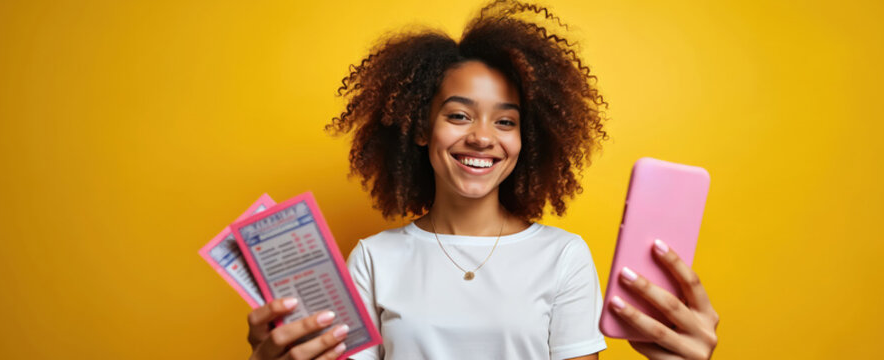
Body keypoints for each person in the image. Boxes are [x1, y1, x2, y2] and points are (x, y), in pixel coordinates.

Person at [245, 1, 719, 359]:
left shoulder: (564, 256)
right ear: (418, 126)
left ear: (526, 140)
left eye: (505, 122)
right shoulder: (373, 258)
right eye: (458, 115)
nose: (481, 138)